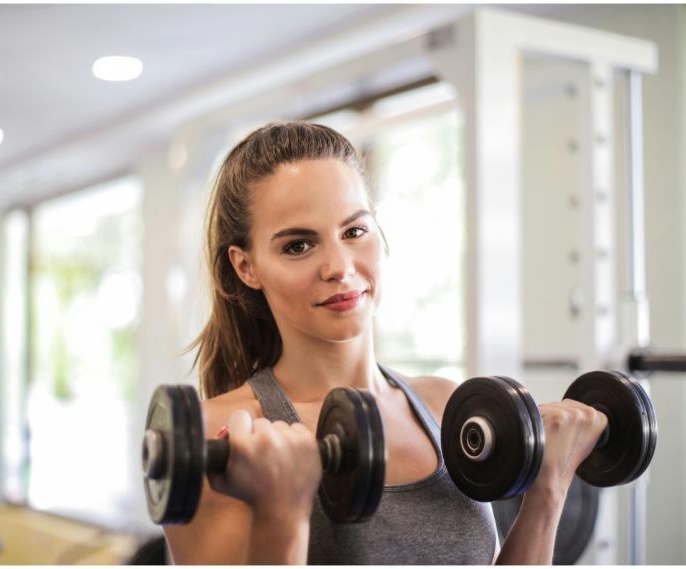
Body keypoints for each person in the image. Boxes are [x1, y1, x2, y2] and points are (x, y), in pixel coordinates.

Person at [163, 122, 608, 564]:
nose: (339, 266)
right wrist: (281, 511)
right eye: (298, 246)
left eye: (354, 231)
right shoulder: (219, 437)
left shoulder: (447, 408)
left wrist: (550, 487)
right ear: (246, 267)